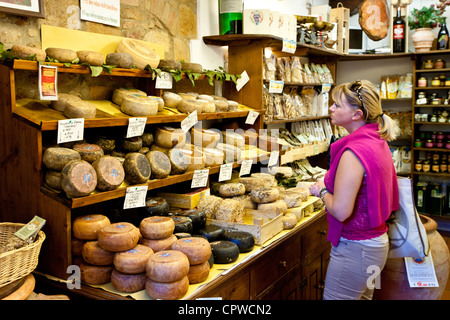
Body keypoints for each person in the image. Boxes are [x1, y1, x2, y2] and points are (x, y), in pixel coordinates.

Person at [309, 80, 399, 300]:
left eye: (337, 105)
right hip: (375, 245)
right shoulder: (376, 139)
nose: (331, 108)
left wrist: (321, 191)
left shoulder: (354, 151)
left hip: (356, 249)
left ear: (357, 114)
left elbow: (341, 210)